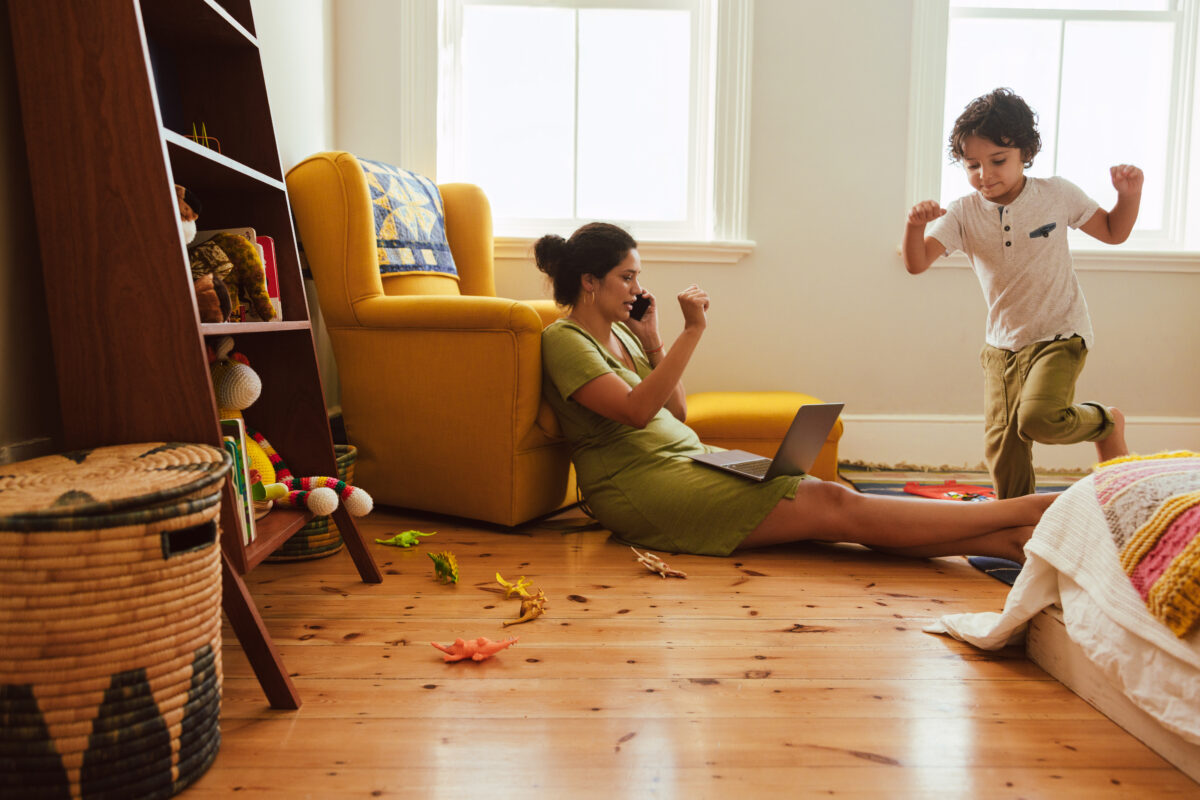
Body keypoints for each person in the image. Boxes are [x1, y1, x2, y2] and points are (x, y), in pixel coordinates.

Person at [536, 221, 1055, 561]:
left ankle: (1007, 543)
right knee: (829, 501)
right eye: (626, 277)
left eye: (636, 278)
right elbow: (633, 412)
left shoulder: (626, 332)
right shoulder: (565, 341)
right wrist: (693, 333)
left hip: (689, 458)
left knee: (834, 503)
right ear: (589, 282)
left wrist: (653, 342)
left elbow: (676, 411)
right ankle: (1022, 511)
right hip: (641, 489)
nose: (635, 289)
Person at [902, 87, 1137, 499]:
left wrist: (1128, 196)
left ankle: (1106, 421)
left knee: (1039, 418)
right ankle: (1017, 526)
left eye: (998, 161)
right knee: (1003, 447)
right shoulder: (962, 212)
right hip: (1001, 347)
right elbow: (917, 262)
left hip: (1060, 334)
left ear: (1025, 153)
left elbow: (1115, 232)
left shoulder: (1056, 194)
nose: (985, 175)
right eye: (972, 164)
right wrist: (914, 225)